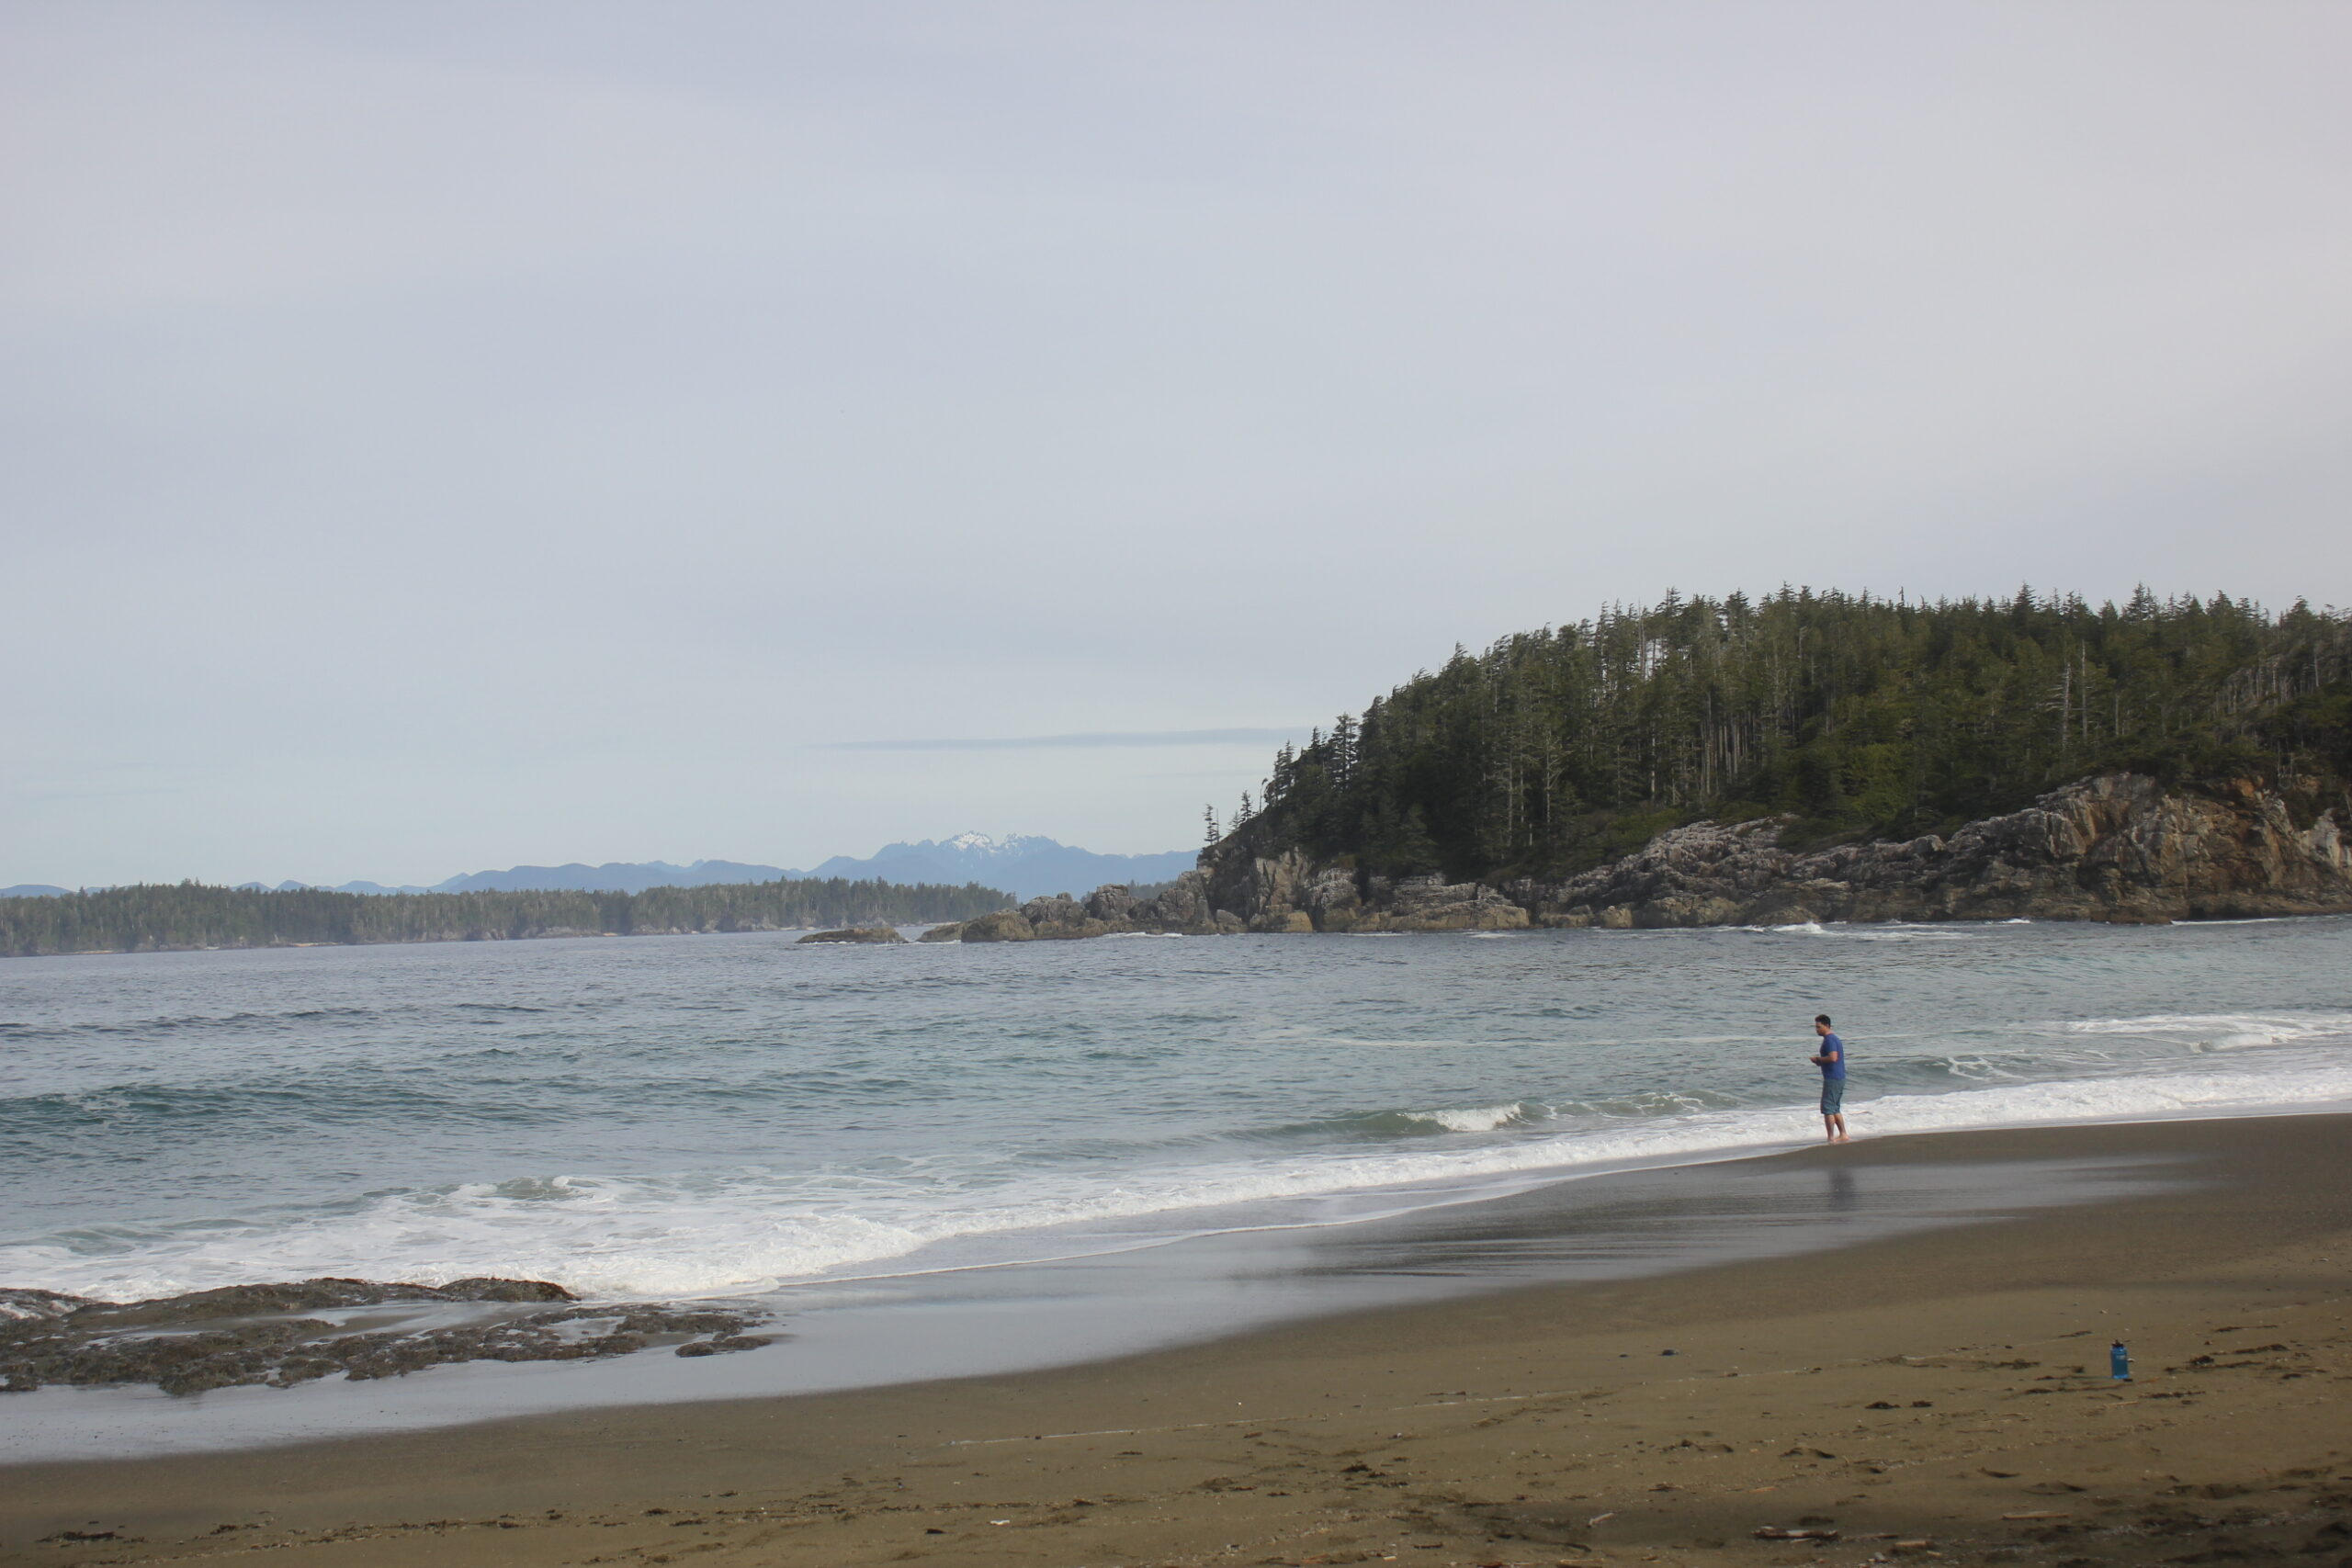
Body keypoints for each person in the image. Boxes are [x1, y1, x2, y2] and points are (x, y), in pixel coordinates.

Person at [1810, 1013, 1849, 1144]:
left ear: (1827, 1026)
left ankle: (1831, 1137)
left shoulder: (1830, 1040)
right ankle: (1843, 1134)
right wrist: (1820, 1062)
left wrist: (1819, 1059)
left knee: (1828, 1108)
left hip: (1833, 1078)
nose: (1817, 1030)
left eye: (1819, 1027)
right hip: (1839, 1076)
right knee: (1835, 1108)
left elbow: (1833, 1057)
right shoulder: (1834, 1039)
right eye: (1816, 1027)